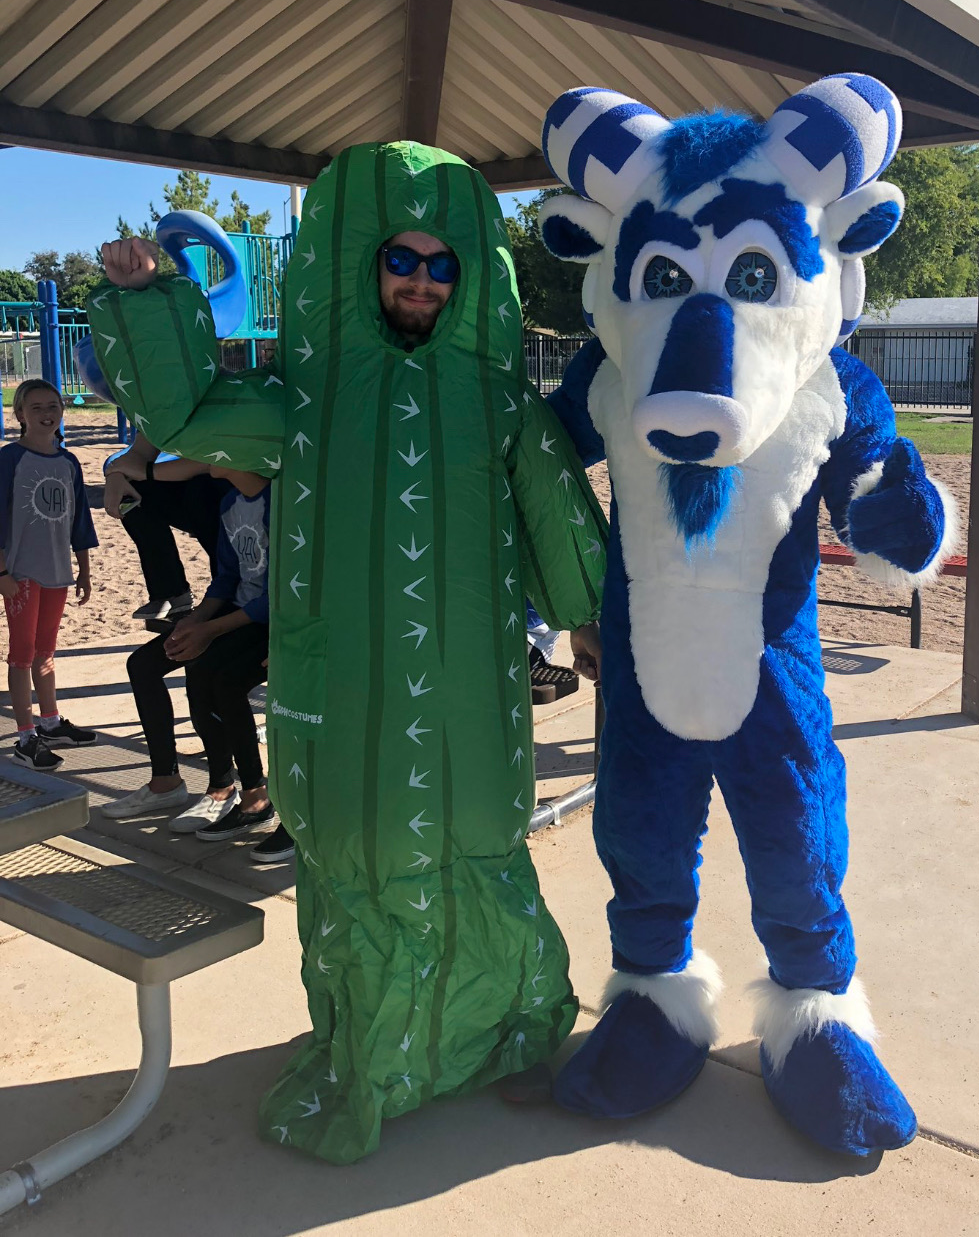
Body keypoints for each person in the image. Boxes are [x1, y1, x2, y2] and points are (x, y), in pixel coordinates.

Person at [89, 139, 607, 1164]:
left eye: (441, 263)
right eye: (399, 259)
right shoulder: (301, 404)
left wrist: (596, 629)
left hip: (472, 710)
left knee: (480, 854)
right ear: (358, 267)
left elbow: (557, 521)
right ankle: (377, 1054)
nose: (419, 280)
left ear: (468, 276)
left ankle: (504, 1031)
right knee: (365, 865)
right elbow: (183, 413)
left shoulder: (498, 404)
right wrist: (155, 301)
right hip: (350, 707)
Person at [103, 463, 292, 863]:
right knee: (177, 661)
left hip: (277, 623)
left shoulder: (284, 502)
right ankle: (229, 792)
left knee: (222, 679)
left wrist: (212, 628)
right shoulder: (228, 503)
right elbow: (227, 579)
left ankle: (258, 798)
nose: (199, 457)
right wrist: (196, 621)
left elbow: (284, 590)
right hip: (241, 613)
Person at [0, 379, 97, 771]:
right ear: (21, 414)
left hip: (58, 572)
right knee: (22, 655)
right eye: (36, 407)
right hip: (21, 574)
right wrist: (2, 571)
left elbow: (79, 521)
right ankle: (26, 735)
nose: (45, 413)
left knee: (47, 652)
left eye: (52, 406)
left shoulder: (69, 461)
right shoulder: (9, 459)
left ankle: (51, 720)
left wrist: (84, 569)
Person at [104, 434, 227, 621]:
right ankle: (170, 593)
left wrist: (147, 471)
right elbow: (140, 450)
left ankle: (226, 598)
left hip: (235, 488)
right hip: (199, 485)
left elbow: (221, 461)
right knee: (134, 491)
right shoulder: (162, 407)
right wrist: (116, 475)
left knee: (201, 491)